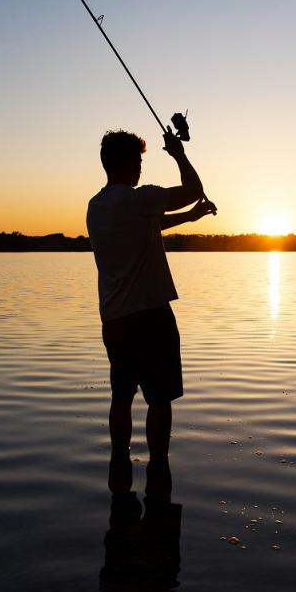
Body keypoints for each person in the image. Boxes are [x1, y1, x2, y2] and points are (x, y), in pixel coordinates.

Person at [86, 126, 215, 475]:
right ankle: (158, 471)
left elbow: (146, 225)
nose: (141, 167)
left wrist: (189, 218)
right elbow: (193, 190)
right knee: (159, 401)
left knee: (121, 397)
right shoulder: (136, 199)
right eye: (139, 160)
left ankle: (119, 467)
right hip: (150, 319)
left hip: (114, 320)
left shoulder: (97, 206)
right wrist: (178, 154)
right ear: (128, 163)